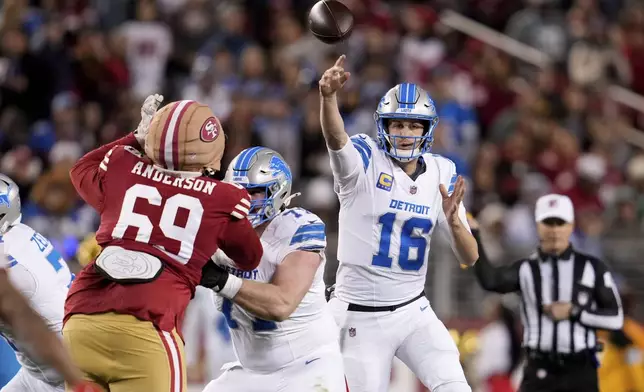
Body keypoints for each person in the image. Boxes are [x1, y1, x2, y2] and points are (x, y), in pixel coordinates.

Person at [63, 95, 263, 391]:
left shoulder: (122, 165)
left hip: (80, 320)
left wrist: (134, 139)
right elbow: (250, 257)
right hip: (147, 325)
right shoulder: (222, 198)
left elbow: (80, 170)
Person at [319, 55, 479, 392]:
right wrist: (329, 98)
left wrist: (454, 222)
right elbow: (336, 139)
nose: (405, 133)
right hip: (359, 317)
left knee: (455, 386)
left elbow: (470, 257)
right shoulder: (365, 158)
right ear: (384, 126)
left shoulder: (441, 171)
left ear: (427, 129)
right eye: (397, 124)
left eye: (413, 125)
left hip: (413, 311)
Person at [199, 147, 346, 392]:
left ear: (278, 191)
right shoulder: (214, 230)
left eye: (254, 192)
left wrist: (221, 280)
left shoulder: (297, 227)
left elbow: (281, 304)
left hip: (308, 366)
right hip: (250, 372)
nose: (244, 200)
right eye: (238, 192)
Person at [470, 194, 623, 392]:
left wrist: (575, 312)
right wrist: (474, 236)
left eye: (560, 222)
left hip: (580, 368)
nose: (554, 230)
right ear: (538, 225)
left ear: (571, 225)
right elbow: (490, 280)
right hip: (539, 368)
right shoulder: (526, 269)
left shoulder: (592, 268)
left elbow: (616, 319)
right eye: (548, 222)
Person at [0, 175, 100, 392]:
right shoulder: (20, 233)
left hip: (62, 371)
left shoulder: (10, 261)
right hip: (43, 368)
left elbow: (28, 322)